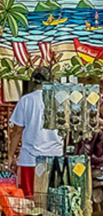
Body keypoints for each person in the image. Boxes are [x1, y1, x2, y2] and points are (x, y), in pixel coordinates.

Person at [7, 68, 63, 197]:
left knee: (30, 200)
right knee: (52, 200)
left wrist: (11, 155)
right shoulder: (59, 100)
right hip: (54, 157)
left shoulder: (26, 100)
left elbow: (17, 131)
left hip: (30, 158)